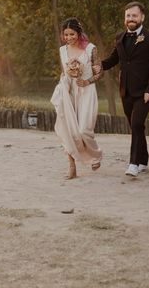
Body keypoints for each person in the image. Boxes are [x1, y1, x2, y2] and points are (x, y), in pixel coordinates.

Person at [101, 2, 149, 177]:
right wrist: (96, 65)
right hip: (126, 91)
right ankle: (144, 161)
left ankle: (134, 164)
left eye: (134, 16)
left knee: (136, 124)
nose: (131, 19)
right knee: (137, 127)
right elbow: (114, 59)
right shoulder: (120, 37)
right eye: (128, 16)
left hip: (145, 92)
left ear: (142, 17)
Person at [51, 18, 103, 179]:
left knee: (84, 130)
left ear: (78, 33)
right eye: (65, 35)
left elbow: (99, 72)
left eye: (72, 34)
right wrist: (65, 82)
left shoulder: (90, 49)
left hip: (86, 91)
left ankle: (95, 155)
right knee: (69, 130)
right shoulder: (62, 50)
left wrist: (86, 81)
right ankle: (72, 166)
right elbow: (64, 72)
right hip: (69, 92)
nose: (68, 38)